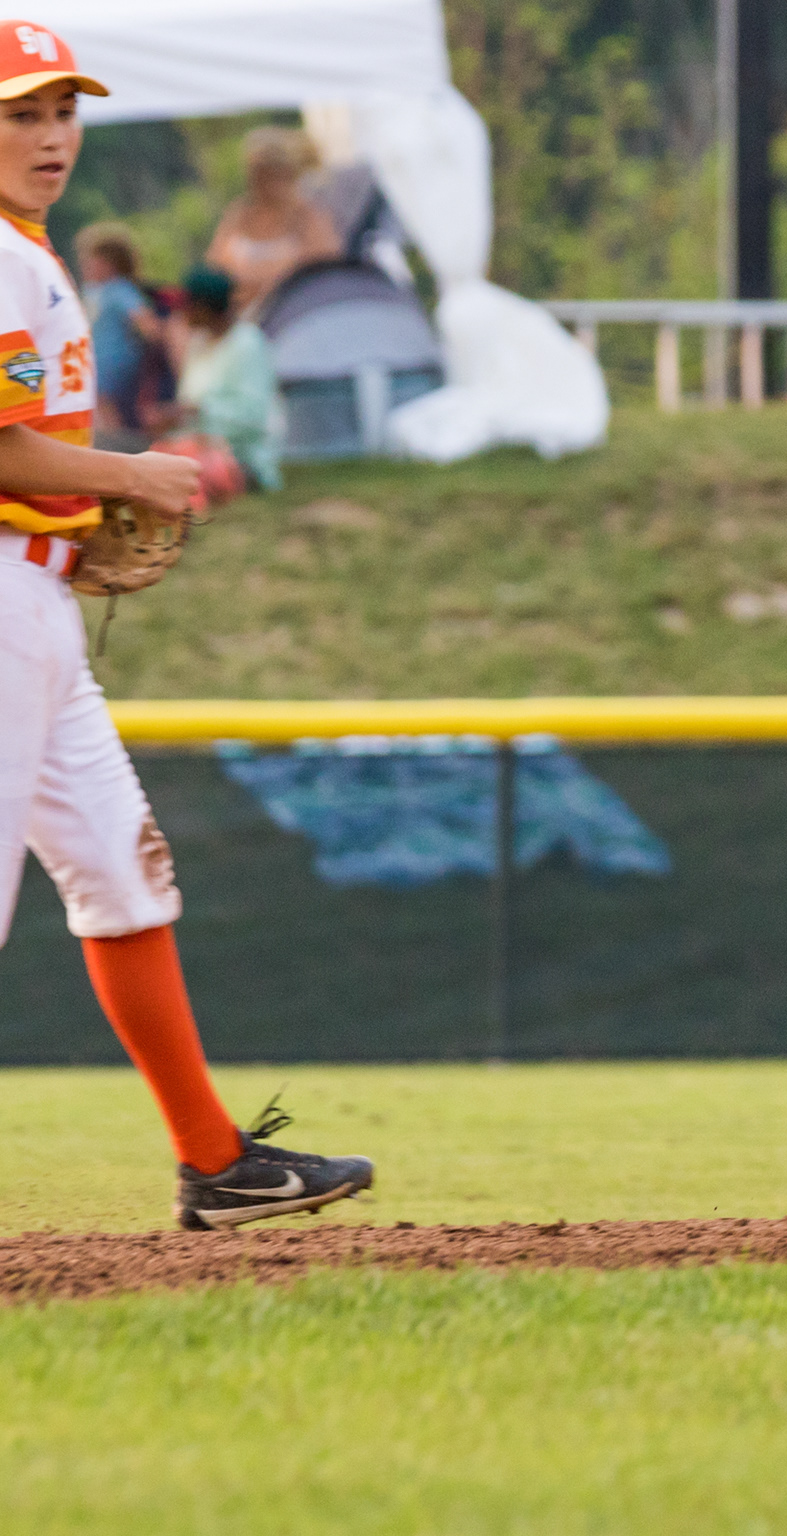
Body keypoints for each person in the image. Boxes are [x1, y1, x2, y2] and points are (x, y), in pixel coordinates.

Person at [0, 23, 373, 1230]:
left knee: (124, 872)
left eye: (63, 110)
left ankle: (216, 1162)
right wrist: (131, 476)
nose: (50, 134)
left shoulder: (29, 252)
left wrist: (87, 495)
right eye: (21, 114)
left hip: (41, 602)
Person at [169, 265, 284, 491]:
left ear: (203, 307)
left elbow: (254, 416)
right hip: (197, 447)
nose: (180, 313)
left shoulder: (247, 344)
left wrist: (198, 412)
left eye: (186, 306)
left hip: (241, 456)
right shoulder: (198, 343)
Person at [205, 125, 340, 313]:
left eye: (263, 174)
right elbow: (213, 269)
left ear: (285, 172)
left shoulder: (309, 217)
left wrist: (262, 283)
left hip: (294, 314)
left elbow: (325, 272)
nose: (256, 183)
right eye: (253, 174)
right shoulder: (239, 215)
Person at [75, 222, 161, 439]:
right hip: (93, 360)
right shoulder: (92, 290)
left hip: (114, 361)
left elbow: (147, 323)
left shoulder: (119, 289)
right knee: (98, 407)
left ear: (109, 264)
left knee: (108, 409)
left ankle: (114, 446)